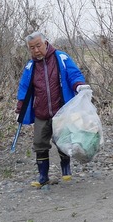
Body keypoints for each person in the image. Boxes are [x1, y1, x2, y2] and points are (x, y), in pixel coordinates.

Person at [15, 31, 90, 187]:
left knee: (62, 141)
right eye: (31, 48)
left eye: (38, 46)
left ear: (45, 43)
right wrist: (20, 109)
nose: (36, 50)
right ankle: (43, 177)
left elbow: (73, 74)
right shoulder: (30, 66)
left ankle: (66, 169)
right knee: (39, 144)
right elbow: (24, 88)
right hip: (41, 113)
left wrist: (79, 85)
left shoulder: (61, 58)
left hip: (61, 111)